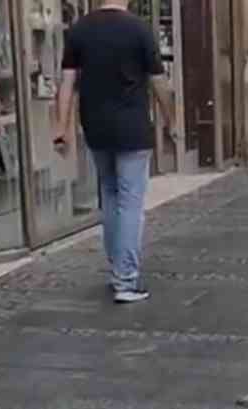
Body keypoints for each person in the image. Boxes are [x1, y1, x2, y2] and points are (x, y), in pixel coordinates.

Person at [54, 0, 175, 303]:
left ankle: (116, 270)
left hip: (96, 127)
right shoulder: (139, 30)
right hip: (132, 128)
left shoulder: (80, 29)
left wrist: (62, 127)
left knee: (109, 197)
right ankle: (126, 280)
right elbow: (160, 83)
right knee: (131, 203)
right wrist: (171, 120)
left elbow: (66, 84)